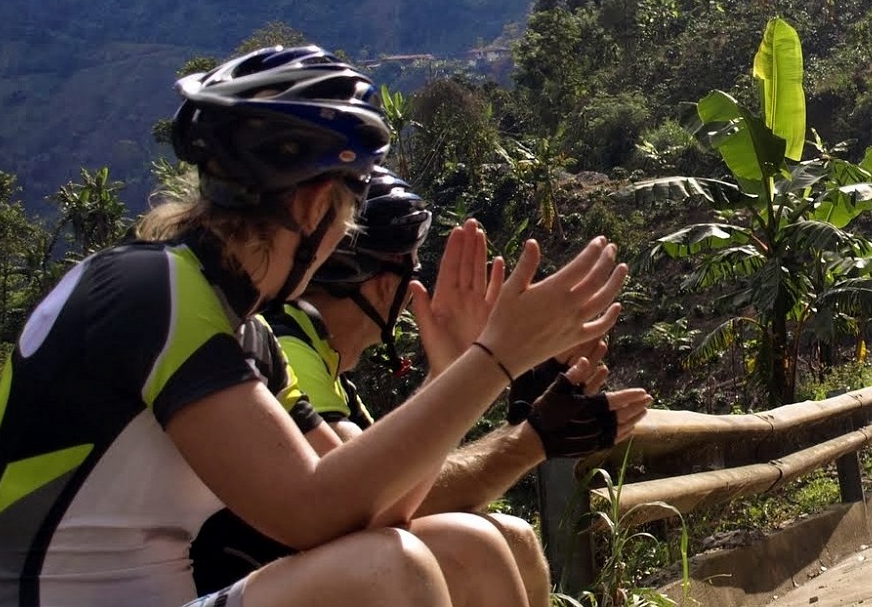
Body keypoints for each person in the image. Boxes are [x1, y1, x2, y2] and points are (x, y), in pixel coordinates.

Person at [0, 45, 627, 607]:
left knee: (461, 548)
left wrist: (460, 368)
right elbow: (309, 512)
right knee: (384, 572)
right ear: (310, 206)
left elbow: (379, 504)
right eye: (347, 214)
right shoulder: (151, 290)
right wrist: (494, 359)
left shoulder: (242, 331)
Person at [191, 167, 653, 606]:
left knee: (508, 536)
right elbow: (361, 505)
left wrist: (464, 372)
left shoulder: (314, 355)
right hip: (235, 577)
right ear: (380, 286)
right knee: (473, 547)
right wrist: (514, 408)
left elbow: (392, 495)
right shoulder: (289, 344)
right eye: (410, 271)